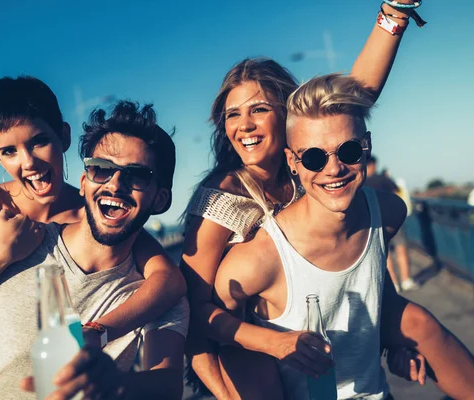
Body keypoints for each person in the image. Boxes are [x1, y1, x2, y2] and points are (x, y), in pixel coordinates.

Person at [0, 78, 186, 400]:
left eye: (38, 142)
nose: (28, 163)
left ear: (64, 136)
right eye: (9, 151)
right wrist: (0, 254)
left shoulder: (96, 215)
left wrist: (94, 332)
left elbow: (168, 281)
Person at [180, 2, 427, 398]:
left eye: (259, 109)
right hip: (247, 361)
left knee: (422, 327)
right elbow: (191, 313)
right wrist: (245, 373)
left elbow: (349, 98)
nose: (243, 125)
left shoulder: (308, 177)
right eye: (232, 115)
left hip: (312, 351)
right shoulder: (221, 200)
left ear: (288, 114)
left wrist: (394, 14)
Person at [212, 74, 474, 399]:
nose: (334, 169)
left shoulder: (386, 213)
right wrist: (271, 345)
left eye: (349, 151)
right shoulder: (259, 260)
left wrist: (391, 342)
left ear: (367, 145)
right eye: (313, 157)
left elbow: (373, 285)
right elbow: (211, 331)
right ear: (292, 162)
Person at [365, 156, 418, 292]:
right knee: (401, 248)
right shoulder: (384, 179)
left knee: (385, 254)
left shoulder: (363, 182)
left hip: (375, 222)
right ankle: (406, 279)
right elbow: (397, 194)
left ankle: (394, 283)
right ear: (374, 164)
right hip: (393, 219)